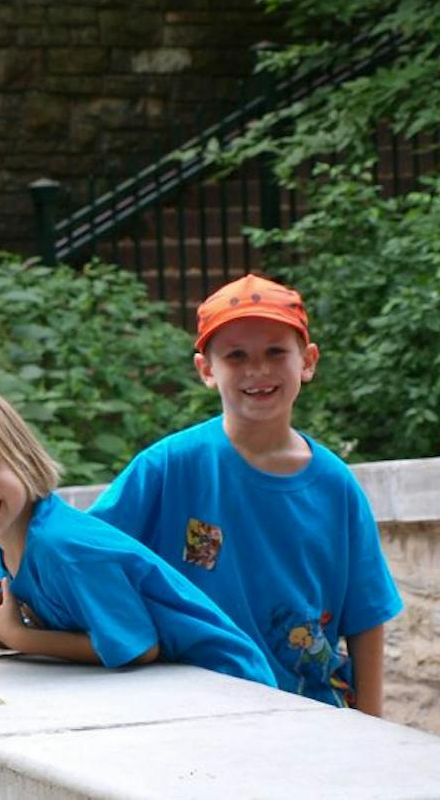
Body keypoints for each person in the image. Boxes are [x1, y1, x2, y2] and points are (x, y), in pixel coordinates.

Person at [90, 273, 402, 714]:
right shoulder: (167, 467)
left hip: (311, 716)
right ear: (206, 370)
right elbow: (85, 556)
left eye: (276, 351)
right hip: (191, 712)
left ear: (308, 362)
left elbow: (366, 616)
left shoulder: (336, 485)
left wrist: (374, 727)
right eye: (236, 355)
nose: (258, 369)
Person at [0, 385, 276, 686]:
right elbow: (73, 638)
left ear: (21, 455)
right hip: (171, 682)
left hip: (228, 681)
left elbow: (136, 649)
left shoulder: (62, 547)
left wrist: (16, 638)